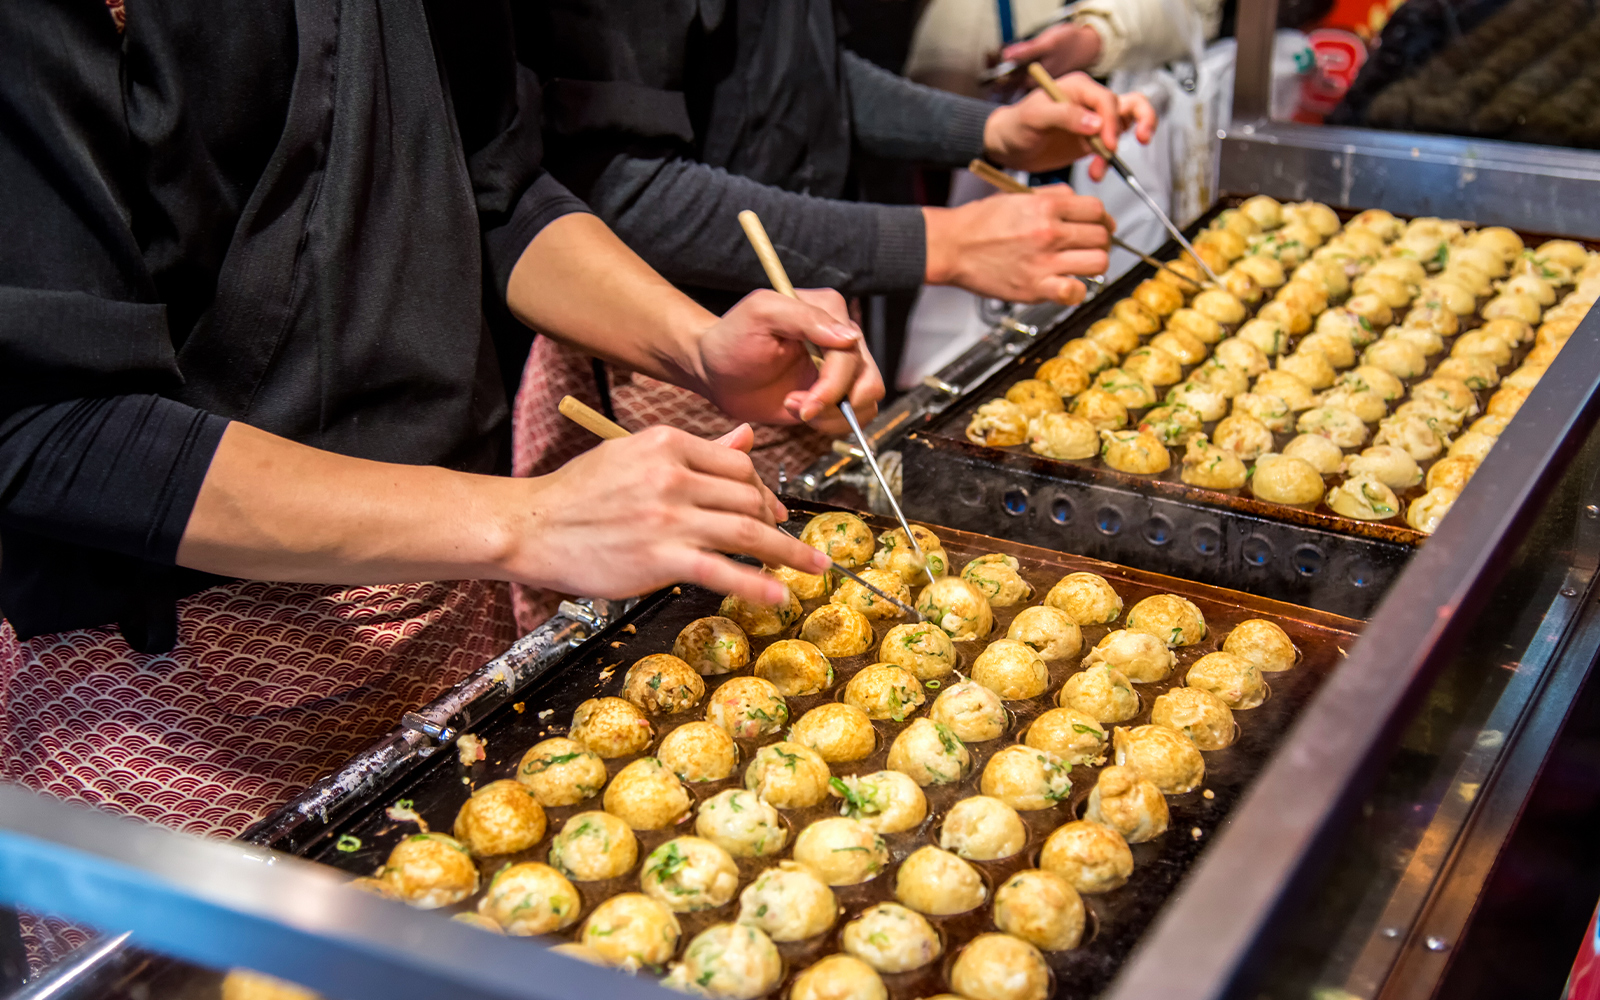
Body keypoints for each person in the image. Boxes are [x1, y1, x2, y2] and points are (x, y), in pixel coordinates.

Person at [0, 0, 880, 968]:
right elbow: (51, 425)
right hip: (178, 684)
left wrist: (694, 346)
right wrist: (525, 517)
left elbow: (493, 187)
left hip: (446, 595)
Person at [511, 0, 1156, 514]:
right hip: (660, 353)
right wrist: (940, 242)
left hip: (809, 319)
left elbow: (804, 73)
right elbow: (618, 184)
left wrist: (988, 132)